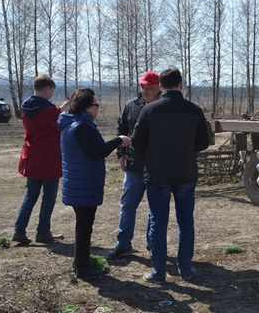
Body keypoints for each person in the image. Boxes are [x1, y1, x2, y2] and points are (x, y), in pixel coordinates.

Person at [131, 67, 210, 283]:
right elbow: (204, 142)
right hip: (185, 171)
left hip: (157, 174)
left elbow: (137, 143)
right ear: (181, 85)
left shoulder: (149, 110)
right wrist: (186, 147)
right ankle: (185, 268)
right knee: (186, 221)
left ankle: (158, 271)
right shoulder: (194, 110)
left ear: (161, 87)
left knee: (158, 221)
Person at [57, 88, 131, 280]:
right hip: (83, 183)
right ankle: (82, 268)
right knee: (84, 226)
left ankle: (80, 263)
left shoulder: (73, 123)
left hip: (79, 182)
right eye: (97, 105)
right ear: (87, 107)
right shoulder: (81, 126)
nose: (98, 108)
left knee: (83, 224)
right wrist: (118, 140)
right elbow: (96, 152)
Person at [106, 71, 160, 260]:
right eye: (143, 87)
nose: (145, 91)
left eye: (149, 87)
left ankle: (153, 245)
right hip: (135, 165)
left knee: (155, 210)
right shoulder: (131, 106)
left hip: (157, 168)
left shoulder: (163, 107)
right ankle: (123, 244)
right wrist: (121, 154)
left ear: (158, 87)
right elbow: (121, 130)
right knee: (127, 206)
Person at [13, 75, 68, 244]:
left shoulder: (26, 107)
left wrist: (59, 110)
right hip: (48, 157)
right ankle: (43, 231)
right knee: (49, 195)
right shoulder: (48, 110)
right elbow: (58, 124)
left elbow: (44, 121)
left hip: (32, 155)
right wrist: (63, 110)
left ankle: (19, 230)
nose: (51, 94)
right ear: (46, 89)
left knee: (31, 194)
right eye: (51, 91)